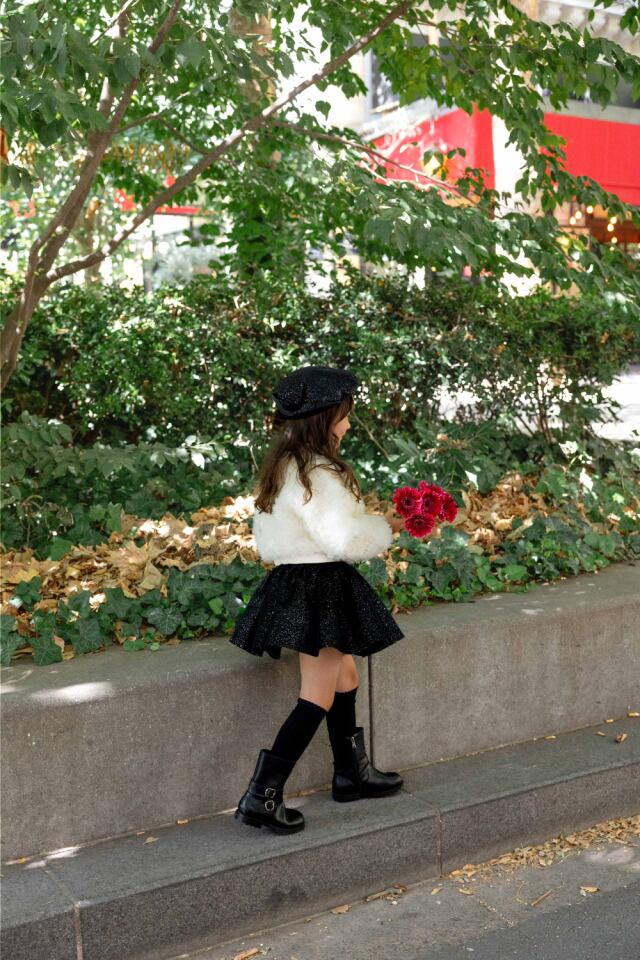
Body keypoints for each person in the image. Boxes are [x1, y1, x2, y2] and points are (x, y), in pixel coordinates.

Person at [230, 365, 406, 835]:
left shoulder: (287, 466)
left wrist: (380, 523)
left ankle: (352, 774)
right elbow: (344, 539)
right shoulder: (318, 473)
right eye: (344, 416)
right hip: (319, 586)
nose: (347, 424)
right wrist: (387, 529)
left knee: (346, 674)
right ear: (325, 418)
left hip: (299, 580)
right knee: (317, 694)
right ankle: (262, 795)